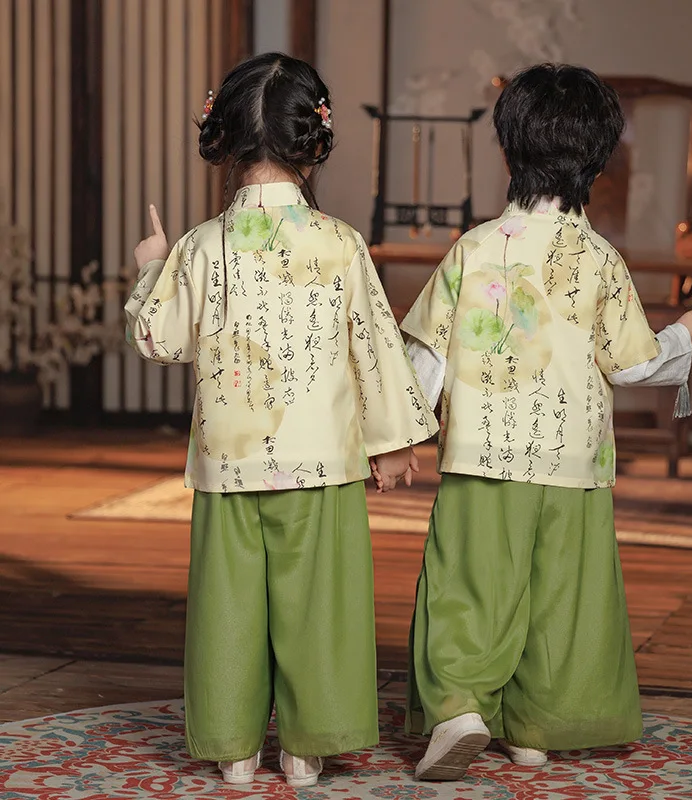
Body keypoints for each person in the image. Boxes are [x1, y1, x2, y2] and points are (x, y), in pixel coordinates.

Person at [379, 63, 692, 781]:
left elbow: (425, 358)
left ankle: (462, 707)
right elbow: (632, 365)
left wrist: (405, 435)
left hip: (482, 454)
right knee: (559, 594)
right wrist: (685, 336)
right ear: (600, 159)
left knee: (470, 583)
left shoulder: (474, 250)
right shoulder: (601, 258)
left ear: (508, 150)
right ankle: (534, 731)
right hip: (573, 463)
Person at [124, 52, 437, 788]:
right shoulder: (339, 243)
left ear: (224, 141)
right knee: (317, 604)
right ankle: (307, 747)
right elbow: (373, 344)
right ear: (314, 140)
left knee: (228, 607)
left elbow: (158, 340)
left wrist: (150, 262)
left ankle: (233, 750)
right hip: (321, 461)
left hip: (227, 463)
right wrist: (393, 443)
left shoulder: (200, 246)